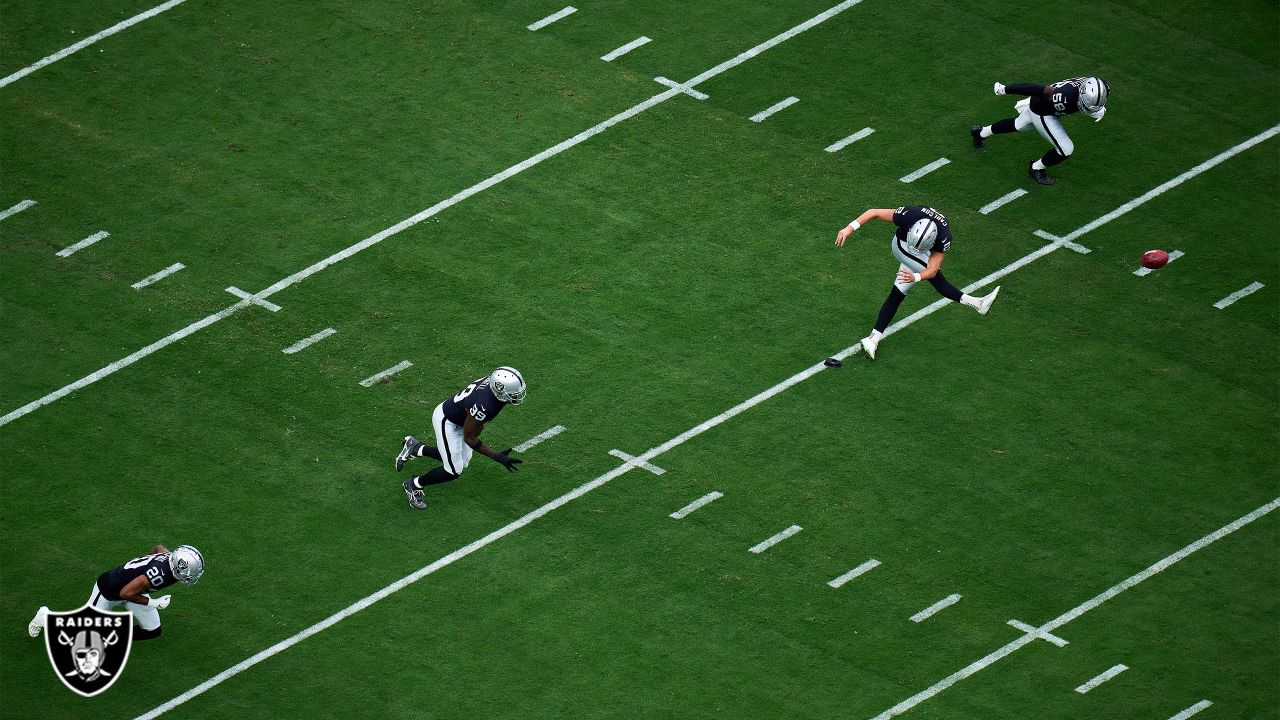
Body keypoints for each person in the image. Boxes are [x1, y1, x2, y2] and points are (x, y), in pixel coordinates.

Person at [835, 206, 1000, 359]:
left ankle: (873, 339)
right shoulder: (909, 215)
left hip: (919, 250)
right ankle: (978, 303)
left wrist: (916, 276)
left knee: (898, 294)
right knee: (936, 281)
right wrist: (849, 229)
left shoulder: (943, 238)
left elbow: (933, 268)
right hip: (901, 245)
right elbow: (873, 212)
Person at [396, 366, 526, 510]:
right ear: (499, 389)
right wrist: (497, 456)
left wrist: (476, 424)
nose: (515, 396)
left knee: (462, 462)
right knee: (453, 470)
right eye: (512, 393)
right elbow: (469, 439)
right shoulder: (485, 405)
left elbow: (469, 411)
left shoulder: (492, 391)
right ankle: (414, 484)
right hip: (447, 421)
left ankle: (416, 448)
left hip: (461, 420)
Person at [28, 544, 205, 641]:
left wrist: (140, 565)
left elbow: (158, 548)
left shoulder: (169, 557)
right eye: (191, 572)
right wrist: (153, 603)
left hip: (134, 589)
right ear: (181, 566)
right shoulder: (159, 574)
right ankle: (45, 617)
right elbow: (125, 593)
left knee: (153, 630)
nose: (191, 577)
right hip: (110, 590)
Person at [970, 76, 1110, 185]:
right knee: (1066, 148)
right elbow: (1036, 90)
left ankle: (980, 132)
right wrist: (1005, 89)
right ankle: (1036, 168)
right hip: (1042, 110)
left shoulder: (1100, 88)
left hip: (1045, 105)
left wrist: (1094, 107)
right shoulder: (1064, 97)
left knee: (1018, 125)